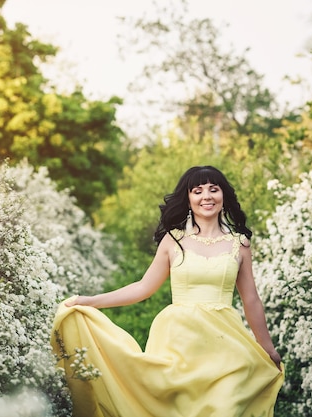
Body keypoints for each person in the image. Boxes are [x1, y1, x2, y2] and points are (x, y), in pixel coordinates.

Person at [51, 166, 284, 417]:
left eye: (213, 190)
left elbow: (251, 299)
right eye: (198, 191)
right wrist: (90, 302)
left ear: (223, 196)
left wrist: (267, 347)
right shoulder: (174, 240)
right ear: (189, 199)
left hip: (225, 342)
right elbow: (143, 287)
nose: (207, 196)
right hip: (178, 339)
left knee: (225, 406)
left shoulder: (240, 244)